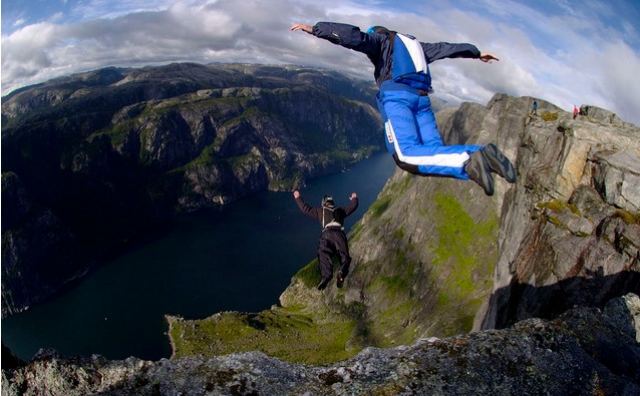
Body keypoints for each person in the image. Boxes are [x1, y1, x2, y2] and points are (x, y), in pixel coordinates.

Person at [290, 22, 516, 196]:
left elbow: (354, 37)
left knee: (405, 155)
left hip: (399, 99)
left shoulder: (381, 40)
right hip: (423, 102)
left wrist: (316, 29)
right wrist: (475, 52)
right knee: (432, 155)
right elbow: (447, 48)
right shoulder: (417, 46)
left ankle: (473, 157)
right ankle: (482, 158)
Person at [293, 190, 358, 290]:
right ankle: (342, 272)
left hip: (326, 235)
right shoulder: (341, 210)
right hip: (339, 234)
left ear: (323, 203)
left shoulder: (320, 211)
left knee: (323, 253)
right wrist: (354, 198)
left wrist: (298, 198)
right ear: (332, 203)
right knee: (344, 257)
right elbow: (353, 207)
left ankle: (326, 276)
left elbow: (305, 209)